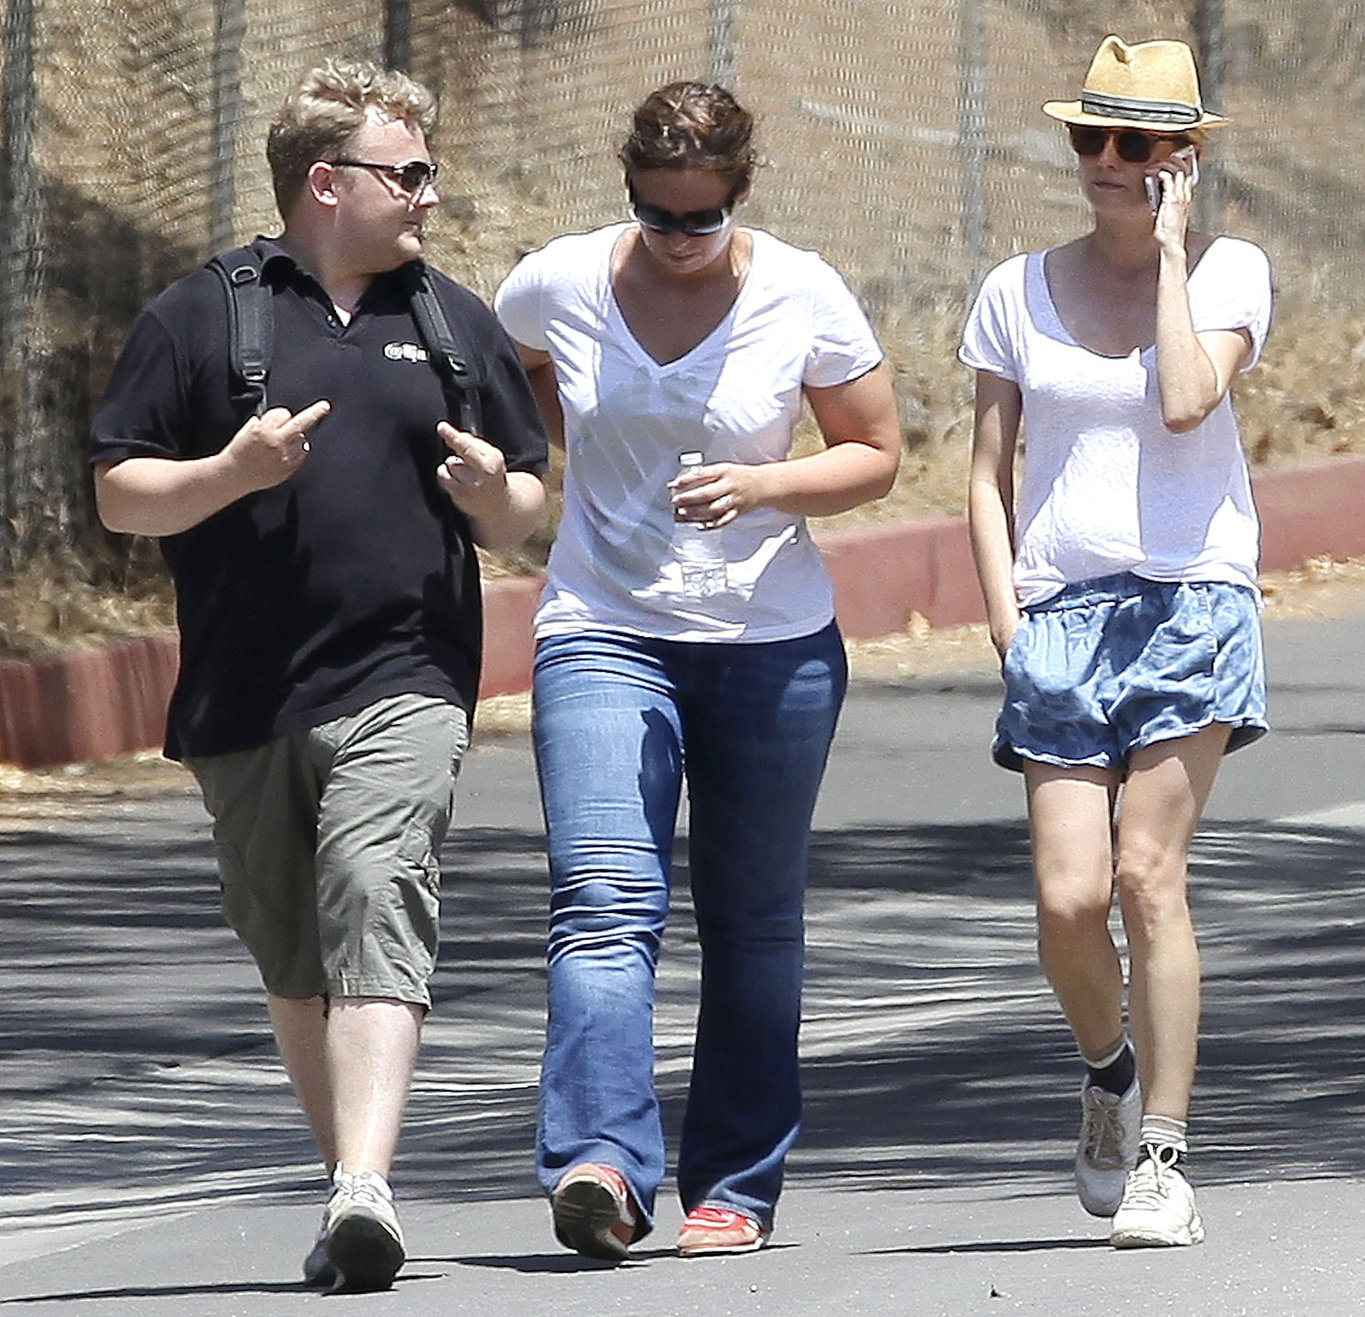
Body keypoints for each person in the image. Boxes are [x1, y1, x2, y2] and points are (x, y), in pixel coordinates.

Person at [89, 59, 548, 1290]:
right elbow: (120, 492)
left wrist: (490, 494)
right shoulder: (202, 316)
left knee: (373, 889)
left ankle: (366, 1186)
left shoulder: (450, 319)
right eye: (407, 175)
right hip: (242, 695)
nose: (430, 197)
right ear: (325, 183)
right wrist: (228, 474)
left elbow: (522, 502)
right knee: (293, 950)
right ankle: (349, 1182)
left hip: (407, 671)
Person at [493, 81, 900, 1261]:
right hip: (600, 626)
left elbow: (875, 451)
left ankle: (735, 1183)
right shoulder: (560, 280)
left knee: (751, 921)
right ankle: (601, 1166)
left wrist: (765, 484)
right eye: (656, 215)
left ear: (739, 196)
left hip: (770, 646)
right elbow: (512, 375)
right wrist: (553, 448)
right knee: (603, 898)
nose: (677, 241)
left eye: (700, 220)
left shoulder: (799, 291)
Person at [960, 36, 1271, 1248]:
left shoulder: (1230, 271)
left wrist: (1174, 253)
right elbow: (986, 473)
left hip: (1194, 598)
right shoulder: (1014, 288)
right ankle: (1107, 1070)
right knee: (1065, 899)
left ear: (1181, 158)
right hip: (1059, 615)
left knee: (1147, 876)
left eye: (1132, 143)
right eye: (1088, 139)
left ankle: (1163, 1155)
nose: (1103, 161)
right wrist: (1005, 620)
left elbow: (1188, 399)